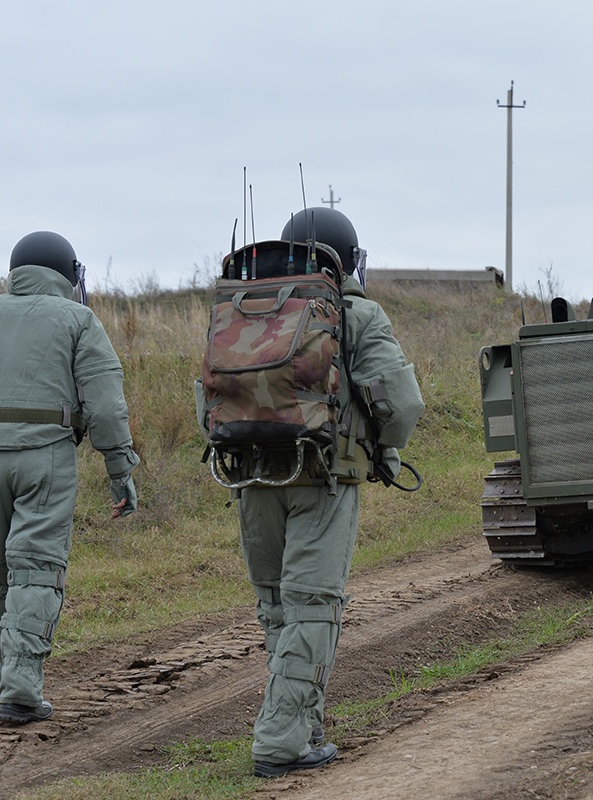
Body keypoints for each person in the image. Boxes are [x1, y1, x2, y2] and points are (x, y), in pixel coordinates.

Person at [212, 207, 424, 778]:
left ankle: (303, 724)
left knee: (279, 606)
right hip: (323, 475)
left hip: (251, 472)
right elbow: (402, 404)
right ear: (350, 258)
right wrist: (385, 448)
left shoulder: (242, 307)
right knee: (314, 606)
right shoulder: (356, 312)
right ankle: (281, 740)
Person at [0, 230, 139, 725]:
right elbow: (106, 406)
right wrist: (119, 470)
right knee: (36, 567)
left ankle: (3, 676)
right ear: (67, 274)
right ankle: (21, 685)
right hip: (46, 456)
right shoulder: (78, 319)